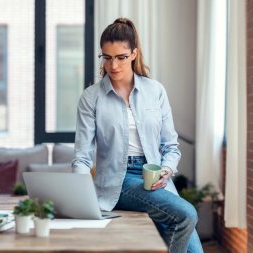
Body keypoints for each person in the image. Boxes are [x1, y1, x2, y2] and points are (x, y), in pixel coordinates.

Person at [72, 17, 203, 253]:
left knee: (193, 245)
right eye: (107, 57)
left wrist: (166, 170)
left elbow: (171, 146)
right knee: (186, 214)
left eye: (121, 57)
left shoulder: (155, 91)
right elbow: (82, 156)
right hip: (118, 180)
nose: (113, 65)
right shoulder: (91, 97)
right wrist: (82, 198)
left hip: (156, 178)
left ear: (133, 54)